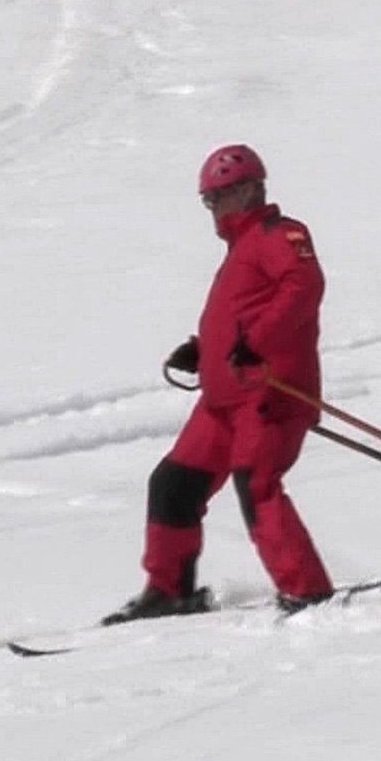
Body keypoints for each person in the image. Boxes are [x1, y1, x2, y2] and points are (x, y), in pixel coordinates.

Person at [104, 145, 336, 624]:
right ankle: (168, 592)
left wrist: (258, 342)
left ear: (249, 189)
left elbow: (304, 287)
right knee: (173, 485)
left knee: (258, 484)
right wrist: (202, 349)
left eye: (219, 198)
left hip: (270, 395)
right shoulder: (241, 249)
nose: (213, 209)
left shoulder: (279, 234)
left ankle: (307, 592)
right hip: (224, 402)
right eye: (208, 201)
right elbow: (243, 315)